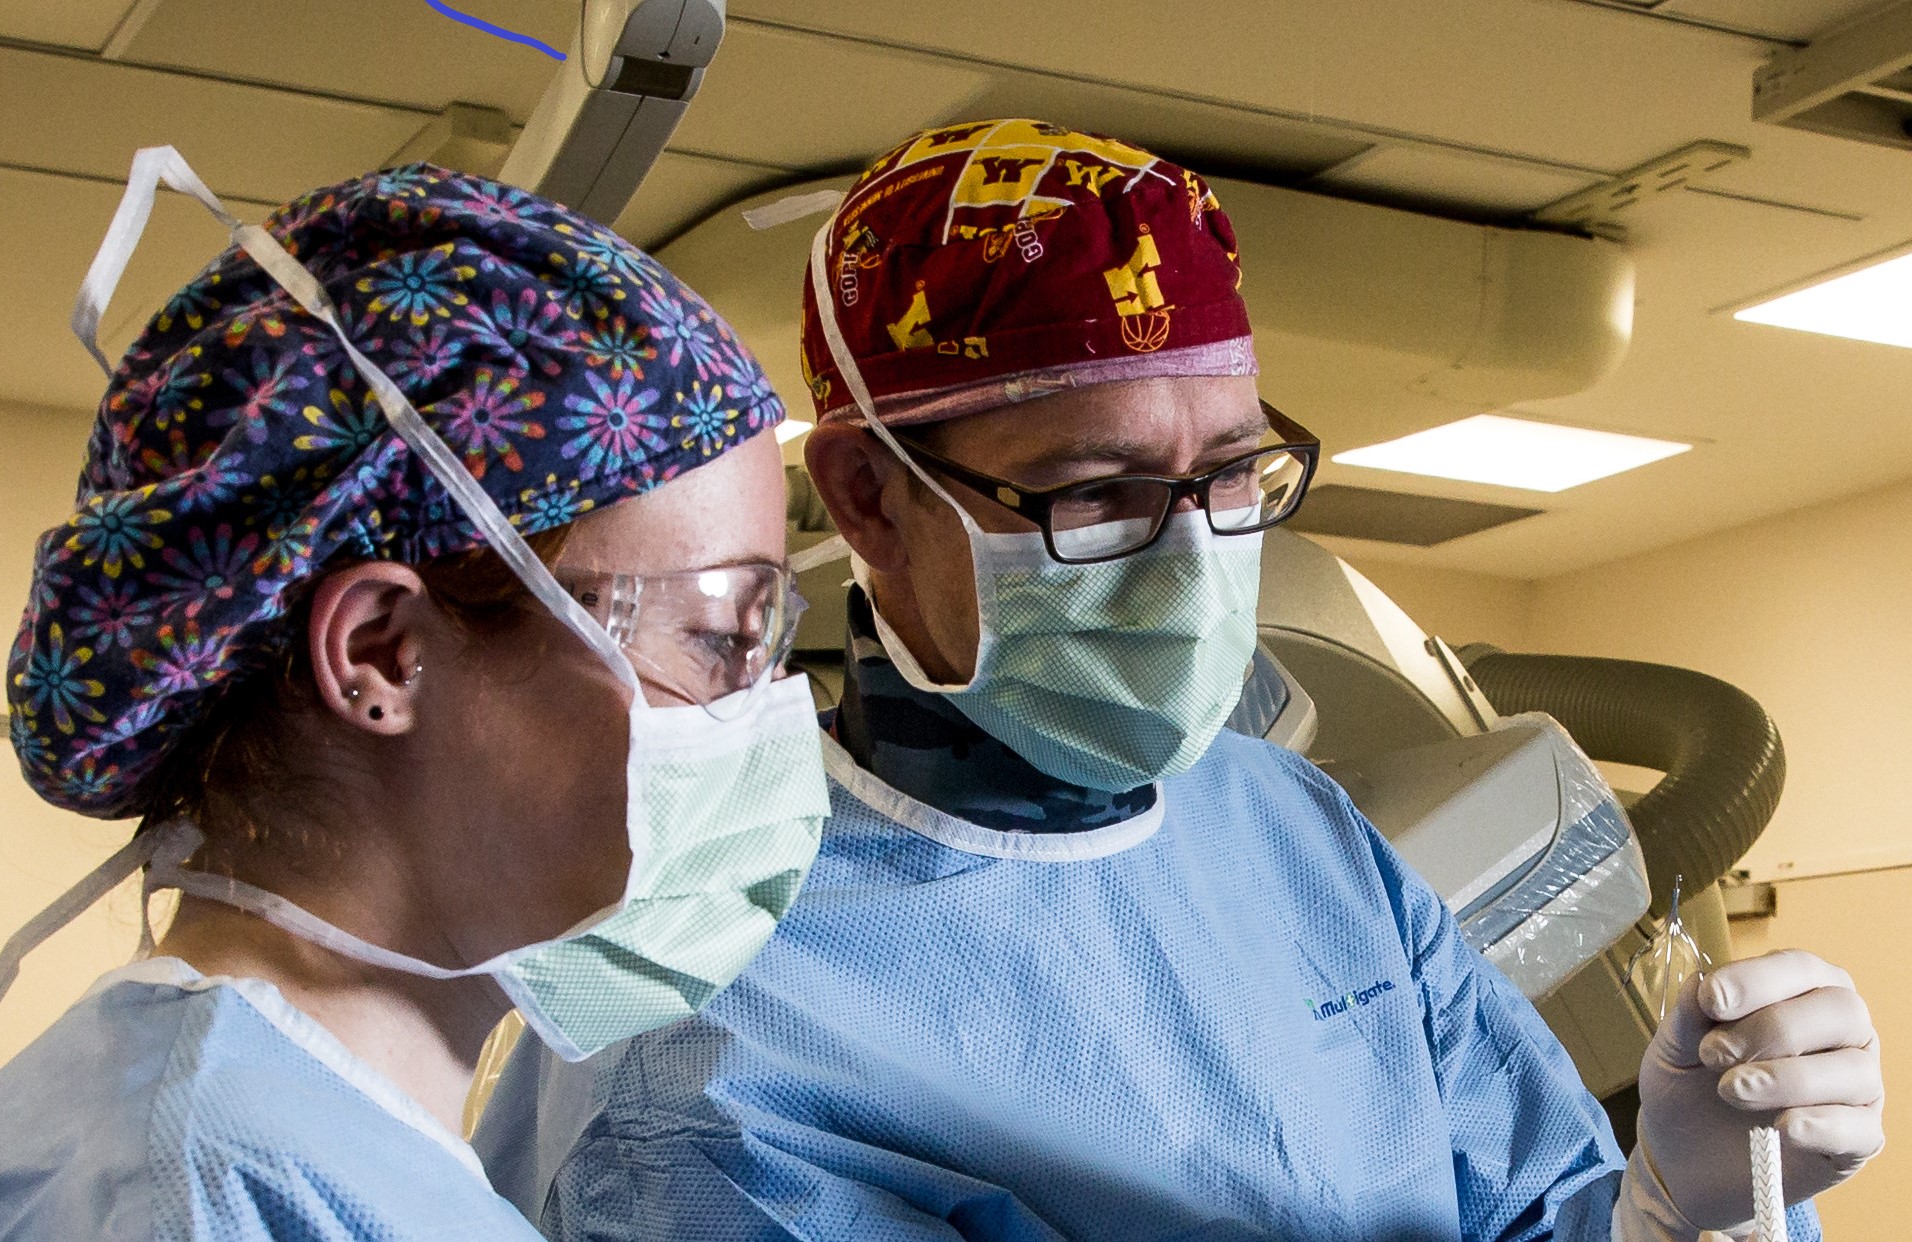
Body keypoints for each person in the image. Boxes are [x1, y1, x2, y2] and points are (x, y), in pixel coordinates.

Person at [471, 120, 1886, 1241]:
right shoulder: (715, 1010)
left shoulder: (1299, 834)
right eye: (1096, 496)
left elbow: (1534, 1213)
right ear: (870, 499)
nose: (1194, 563)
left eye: (1229, 476)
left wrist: (1687, 1209)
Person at [0, 148, 831, 1241]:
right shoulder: (208, 1190)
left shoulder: (300, 1151)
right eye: (719, 638)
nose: (763, 713)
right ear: (382, 653)